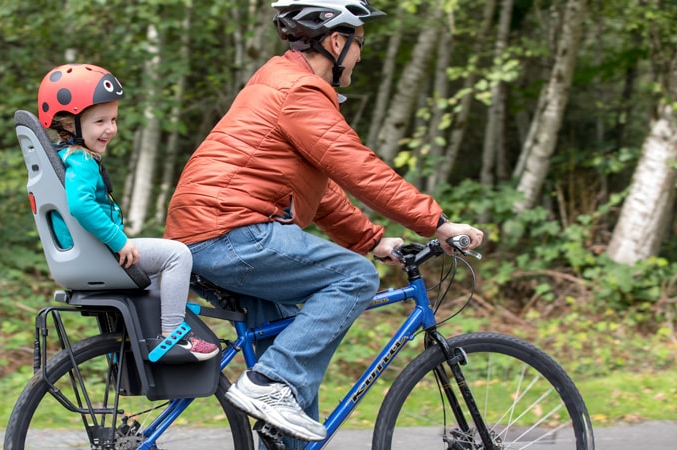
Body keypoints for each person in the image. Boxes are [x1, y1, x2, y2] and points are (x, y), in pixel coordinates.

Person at [163, 0, 483, 444]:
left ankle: (275, 391)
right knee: (352, 278)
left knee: (292, 389)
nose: (359, 54)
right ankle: (265, 383)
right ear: (336, 40)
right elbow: (358, 168)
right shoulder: (299, 91)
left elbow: (324, 188)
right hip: (232, 232)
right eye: (359, 43)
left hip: (211, 232)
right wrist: (438, 223)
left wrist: (371, 238)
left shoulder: (277, 82)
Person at [36, 63, 219, 364]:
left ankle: (146, 336)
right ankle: (173, 335)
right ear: (69, 124)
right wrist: (119, 240)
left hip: (80, 257)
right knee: (177, 255)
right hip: (97, 254)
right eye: (100, 121)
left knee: (162, 267)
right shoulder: (81, 161)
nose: (110, 129)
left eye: (113, 119)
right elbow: (81, 206)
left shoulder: (63, 157)